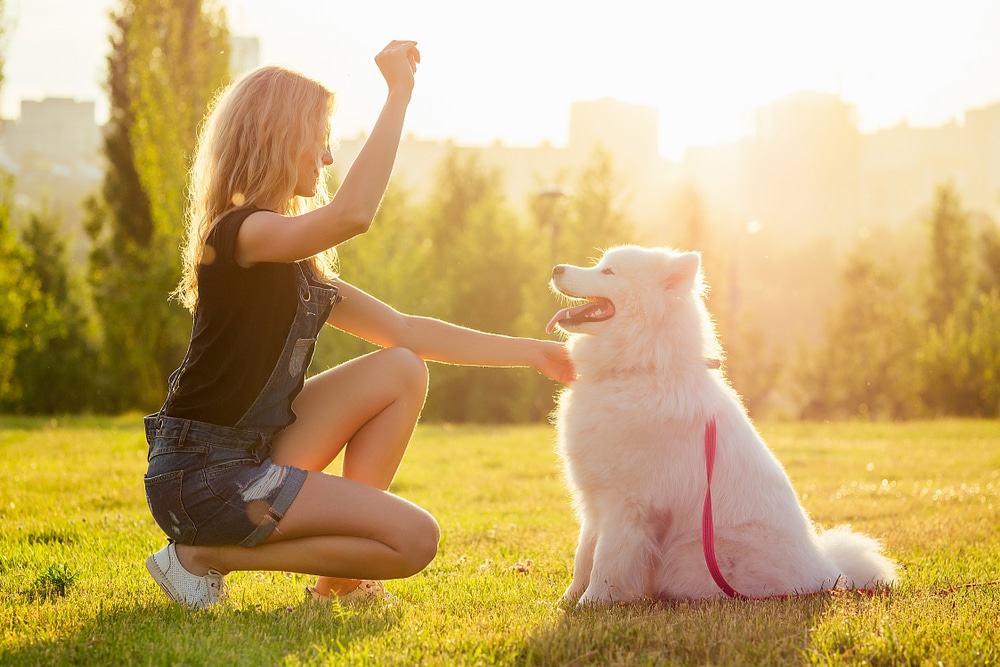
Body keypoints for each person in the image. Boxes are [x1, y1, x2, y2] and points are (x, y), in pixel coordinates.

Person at [142, 40, 575, 608]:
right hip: (200, 477)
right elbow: (353, 214)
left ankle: (334, 590)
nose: (326, 159)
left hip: (247, 455)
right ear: (280, 137)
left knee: (401, 368)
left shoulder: (292, 260)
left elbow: (409, 332)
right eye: (320, 138)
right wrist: (399, 93)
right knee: (414, 541)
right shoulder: (242, 233)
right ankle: (202, 556)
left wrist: (536, 354)